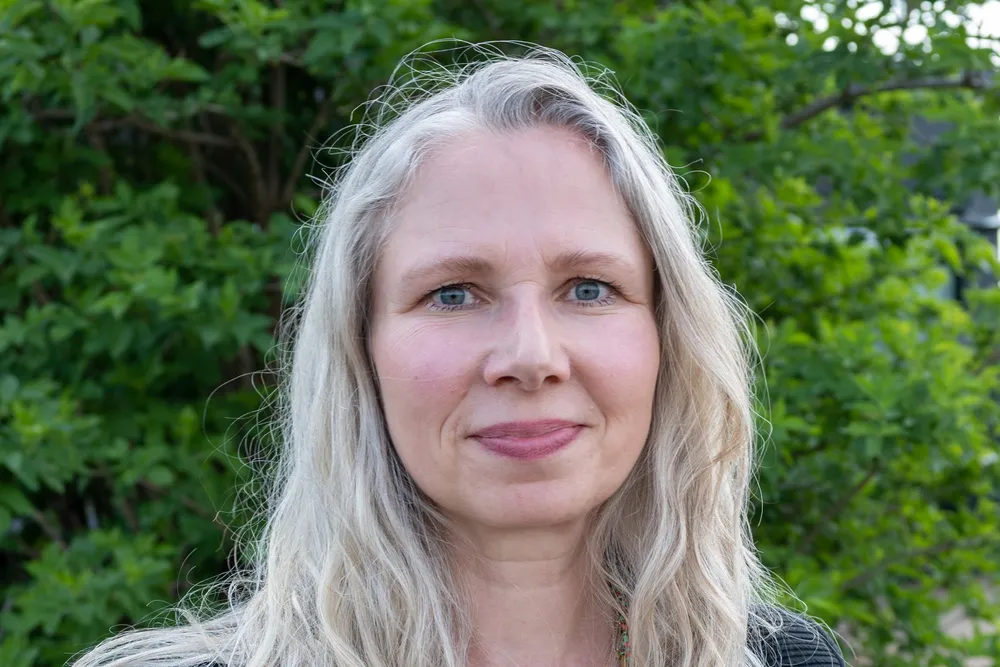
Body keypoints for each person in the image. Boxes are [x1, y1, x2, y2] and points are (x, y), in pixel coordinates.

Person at [73, 43, 848, 667]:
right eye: (452, 294)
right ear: (361, 350)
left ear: (667, 336)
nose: (531, 356)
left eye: (588, 288)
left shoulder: (782, 659)